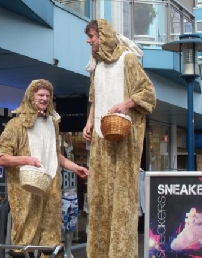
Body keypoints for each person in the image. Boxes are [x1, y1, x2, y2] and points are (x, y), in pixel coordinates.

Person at [83, 19, 156, 257]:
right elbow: (94, 99)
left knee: (123, 196)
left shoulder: (127, 59)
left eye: (92, 36)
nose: (89, 41)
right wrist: (89, 122)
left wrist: (126, 104)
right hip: (101, 136)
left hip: (124, 135)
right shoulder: (97, 66)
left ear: (103, 36)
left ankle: (121, 252)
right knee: (99, 196)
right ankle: (99, 251)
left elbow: (148, 92)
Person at [0, 79, 88, 257]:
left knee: (51, 237)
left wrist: (75, 167)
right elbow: (1, 157)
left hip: (50, 185)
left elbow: (54, 155)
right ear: (31, 96)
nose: (45, 99)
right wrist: (26, 159)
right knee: (25, 236)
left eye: (48, 96)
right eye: (41, 95)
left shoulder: (52, 123)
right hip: (26, 188)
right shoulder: (17, 124)